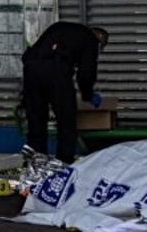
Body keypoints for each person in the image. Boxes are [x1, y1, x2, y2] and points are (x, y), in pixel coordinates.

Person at [21, 22, 109, 164]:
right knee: (66, 121)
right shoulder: (89, 38)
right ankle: (63, 164)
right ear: (99, 36)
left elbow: (34, 50)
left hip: (31, 70)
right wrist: (88, 95)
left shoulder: (60, 27)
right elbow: (86, 72)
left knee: (35, 121)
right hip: (57, 72)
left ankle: (34, 164)